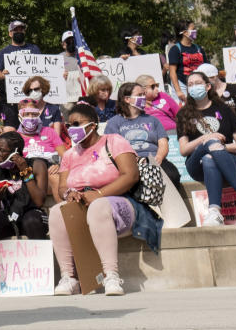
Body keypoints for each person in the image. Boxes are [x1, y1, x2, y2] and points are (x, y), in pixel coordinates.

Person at [47, 103, 156, 296]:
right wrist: (68, 194)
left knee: (98, 206)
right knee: (57, 211)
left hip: (119, 203)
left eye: (76, 123)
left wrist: (98, 194)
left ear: (93, 125)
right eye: (69, 125)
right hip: (82, 207)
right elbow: (63, 186)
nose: (72, 129)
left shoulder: (114, 141)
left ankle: (111, 275)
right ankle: (69, 277)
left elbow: (130, 176)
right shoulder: (70, 154)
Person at [176, 72, 236, 227]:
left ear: (207, 86)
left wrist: (217, 148)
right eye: (190, 84)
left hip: (225, 159)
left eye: (197, 83)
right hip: (195, 163)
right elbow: (184, 149)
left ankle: (214, 210)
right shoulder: (183, 114)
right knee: (209, 145)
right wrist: (205, 139)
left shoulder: (224, 109)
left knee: (210, 157)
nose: (193, 87)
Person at [105, 82, 183, 194]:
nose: (143, 97)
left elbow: (163, 143)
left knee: (172, 175)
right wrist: (133, 161)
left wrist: (159, 158)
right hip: (128, 163)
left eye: (143, 94)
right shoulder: (114, 122)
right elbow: (111, 148)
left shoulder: (153, 120)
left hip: (154, 159)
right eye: (139, 95)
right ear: (127, 99)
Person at [0, 131, 50, 251]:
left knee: (32, 221)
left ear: (15, 152)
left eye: (1, 150)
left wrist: (25, 171)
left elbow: (39, 202)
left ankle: (41, 266)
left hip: (32, 214)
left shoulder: (37, 165)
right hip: (8, 214)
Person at [15, 98, 67, 163]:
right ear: (19, 116)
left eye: (34, 114)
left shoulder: (50, 132)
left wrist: (57, 165)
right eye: (26, 114)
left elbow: (64, 156)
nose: (30, 117)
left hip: (52, 170)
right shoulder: (15, 137)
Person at [166, 20, 207, 102]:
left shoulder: (199, 48)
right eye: (193, 29)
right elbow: (172, 72)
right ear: (185, 32)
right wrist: (178, 91)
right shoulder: (175, 49)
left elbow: (206, 67)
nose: (196, 31)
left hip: (198, 85)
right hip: (182, 85)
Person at [0, 19, 42, 85]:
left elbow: (42, 67)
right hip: (14, 89)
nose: (19, 32)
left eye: (21, 30)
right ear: (10, 34)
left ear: (24, 32)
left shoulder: (34, 48)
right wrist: (2, 75)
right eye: (16, 30)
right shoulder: (4, 51)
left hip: (33, 87)